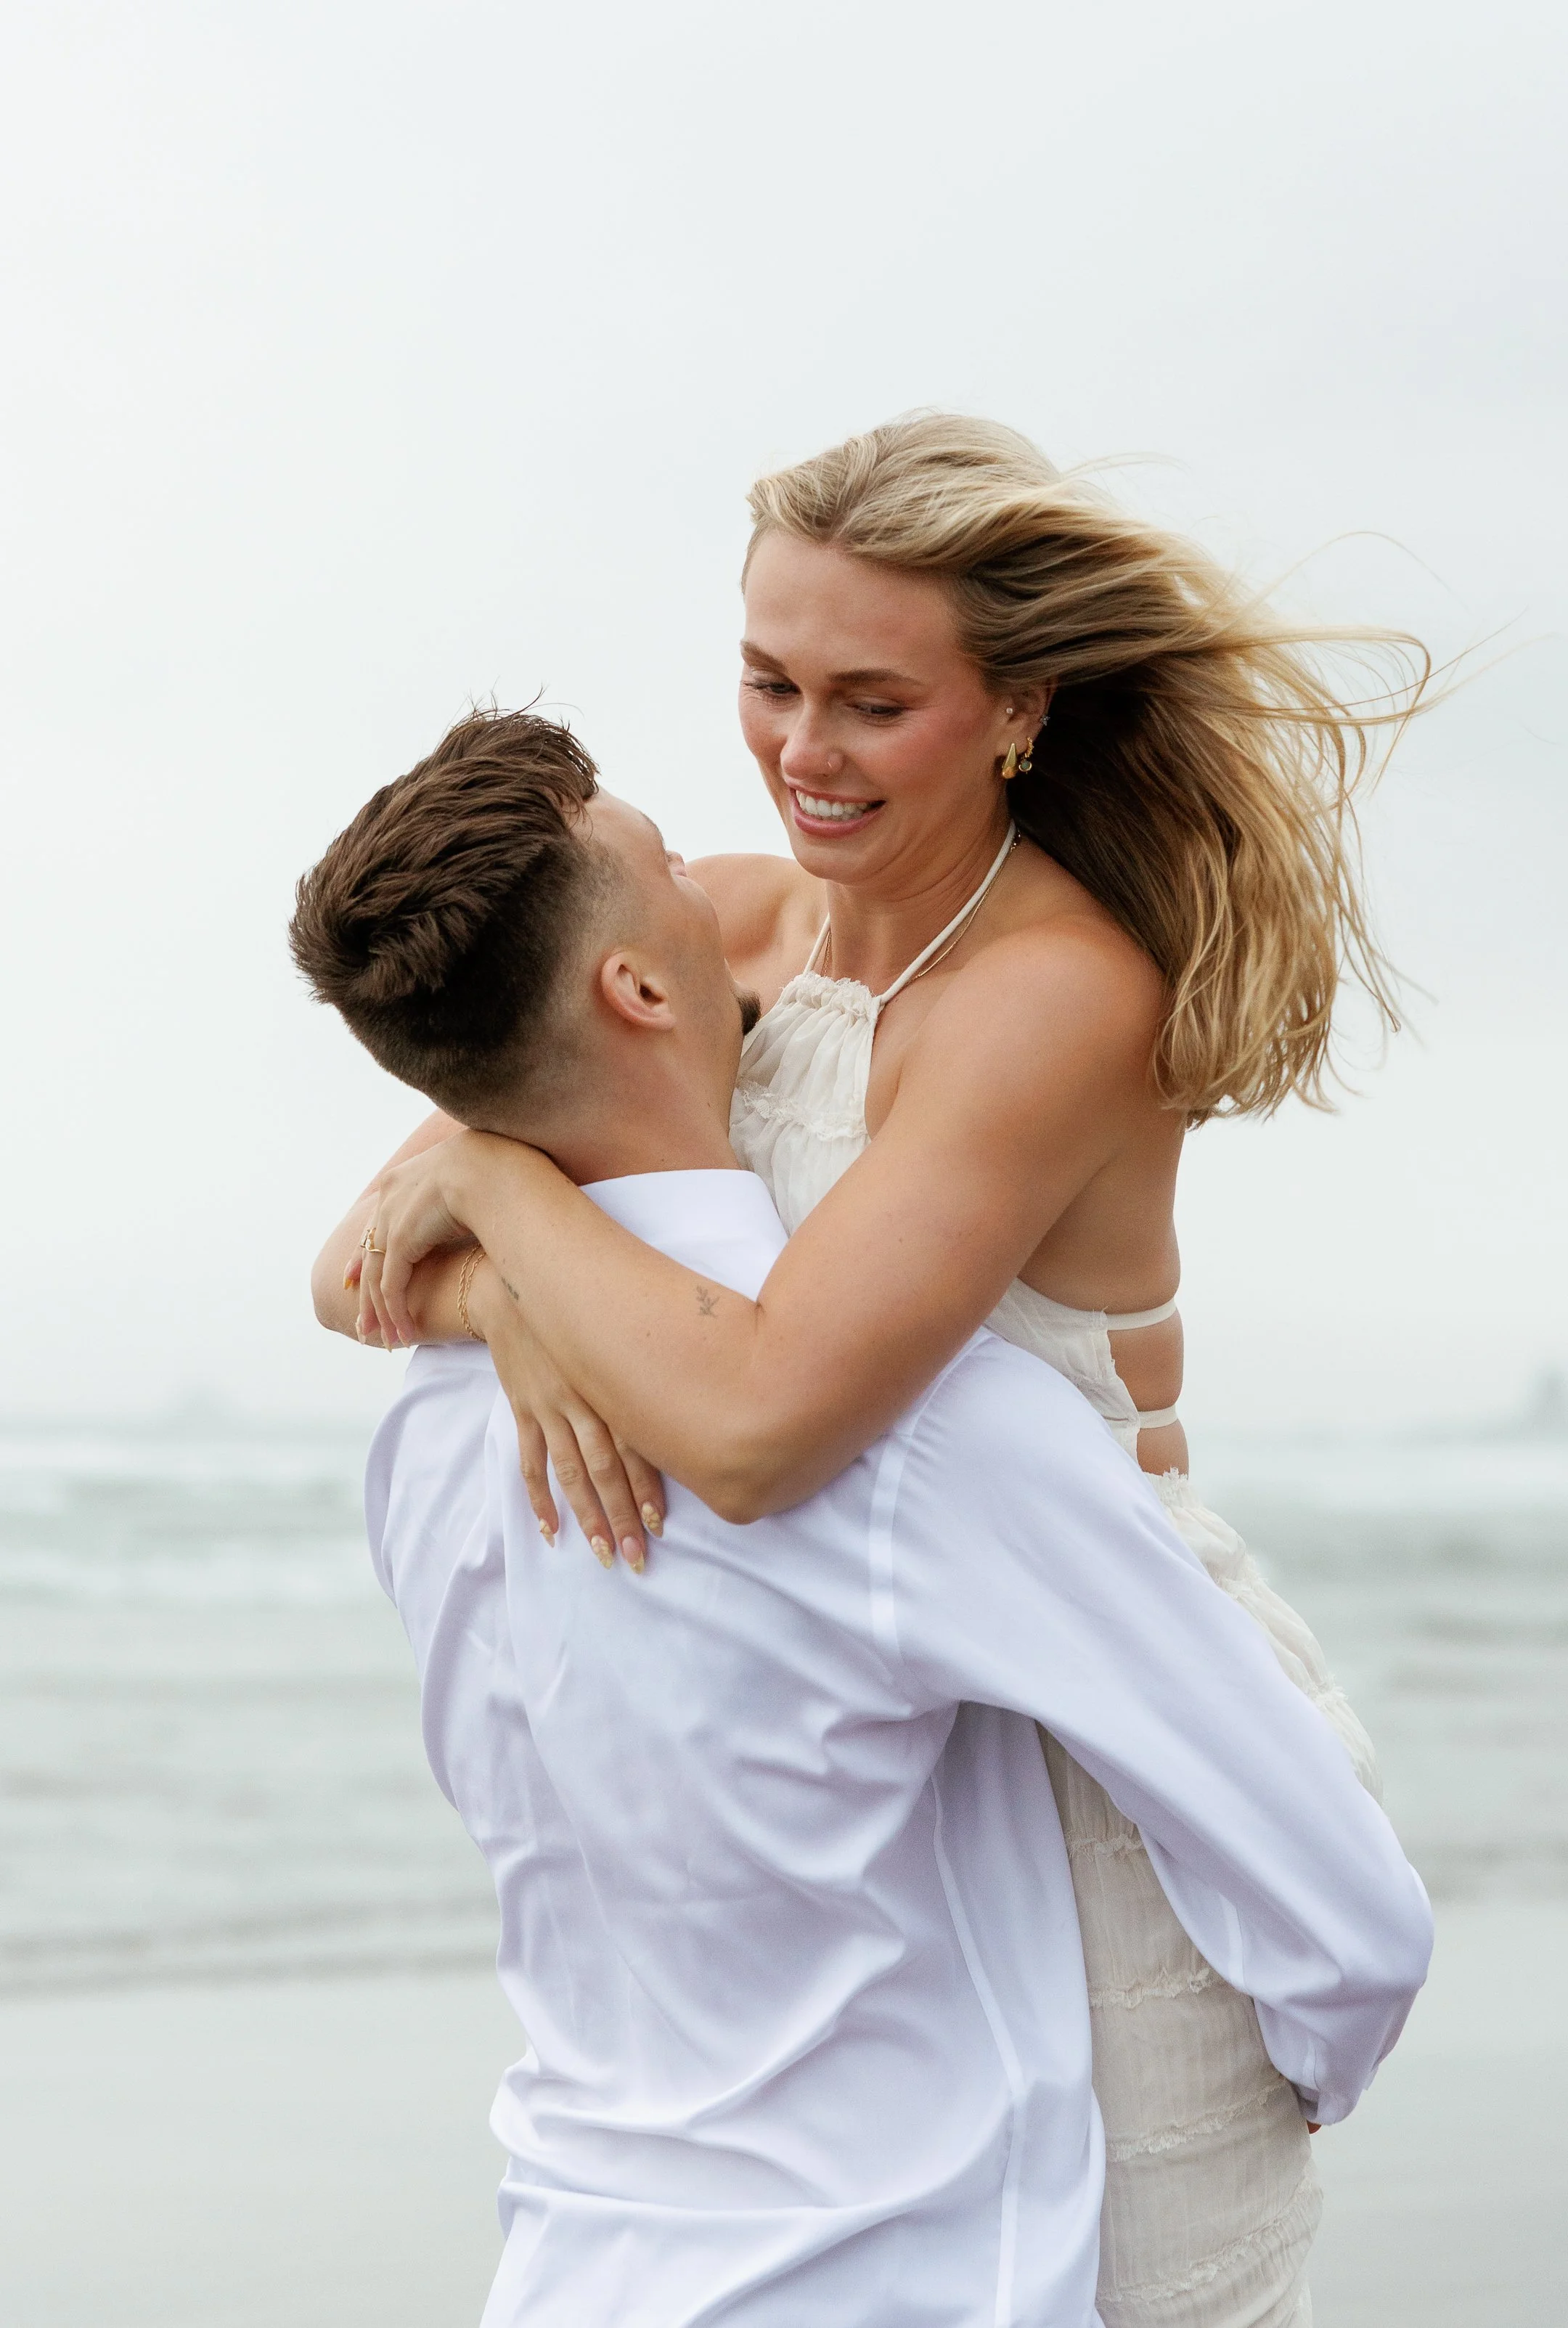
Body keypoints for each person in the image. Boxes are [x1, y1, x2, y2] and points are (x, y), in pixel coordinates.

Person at [327, 420, 1418, 2322]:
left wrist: (503, 1192)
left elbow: (755, 1420)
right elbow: (368, 1266)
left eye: (870, 701)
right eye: (767, 681)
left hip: (1103, 1727)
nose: (799, 751)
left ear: (1016, 713)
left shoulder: (1052, 1001)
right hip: (885, 1684)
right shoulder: (741, 923)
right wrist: (504, 1277)